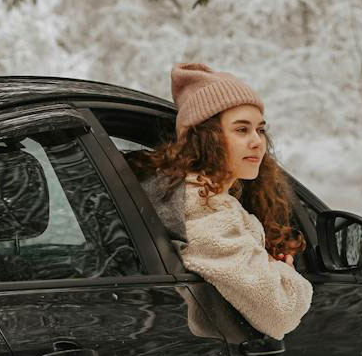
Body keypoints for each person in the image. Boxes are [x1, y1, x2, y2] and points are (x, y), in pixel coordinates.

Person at [128, 62, 313, 340]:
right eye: (241, 130)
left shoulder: (207, 199)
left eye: (260, 130)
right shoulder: (201, 211)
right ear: (207, 139)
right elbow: (280, 312)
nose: (257, 142)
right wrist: (284, 273)